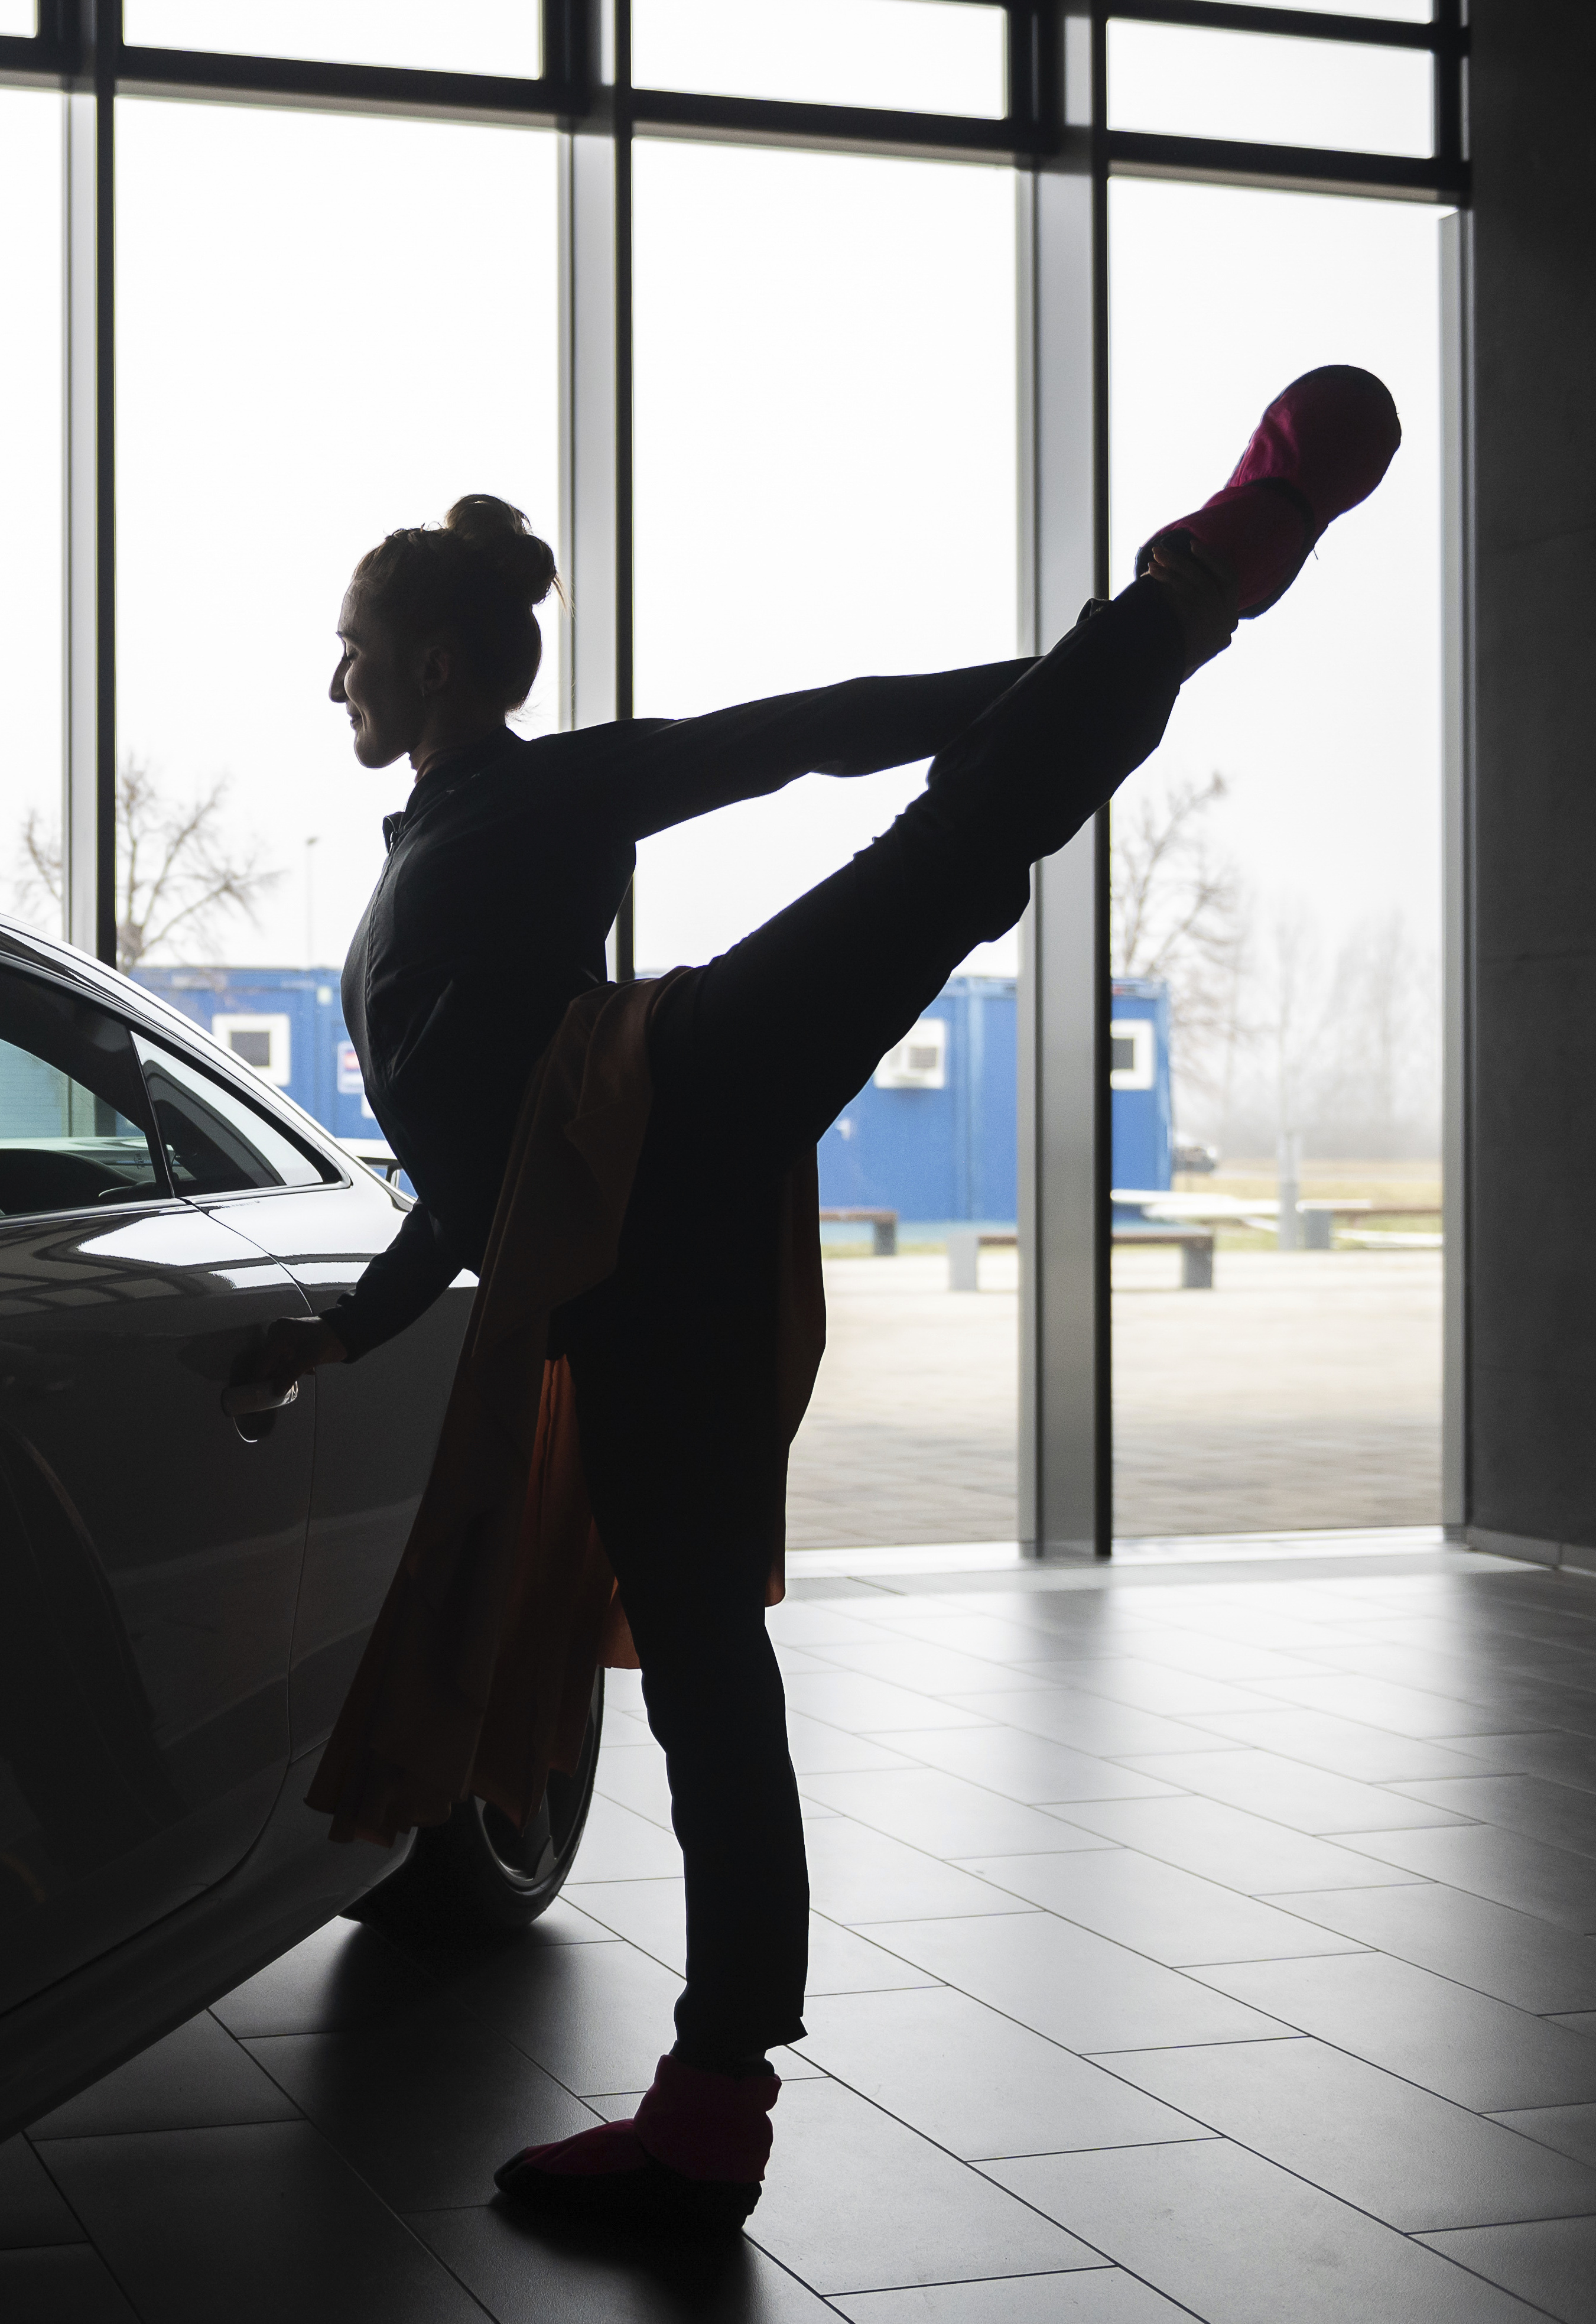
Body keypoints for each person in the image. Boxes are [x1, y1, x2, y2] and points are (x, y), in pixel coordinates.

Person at [252, 365, 1403, 2230]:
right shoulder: (413, 863)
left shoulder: (548, 793)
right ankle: (715, 2102)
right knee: (706, 1666)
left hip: (672, 1094)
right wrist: (347, 1329)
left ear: (443, 664)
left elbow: (817, 730)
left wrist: (1068, 683)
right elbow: (476, 1189)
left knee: (948, 848)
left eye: (356, 648)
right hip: (624, 1281)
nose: (338, 684)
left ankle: (1200, 579)